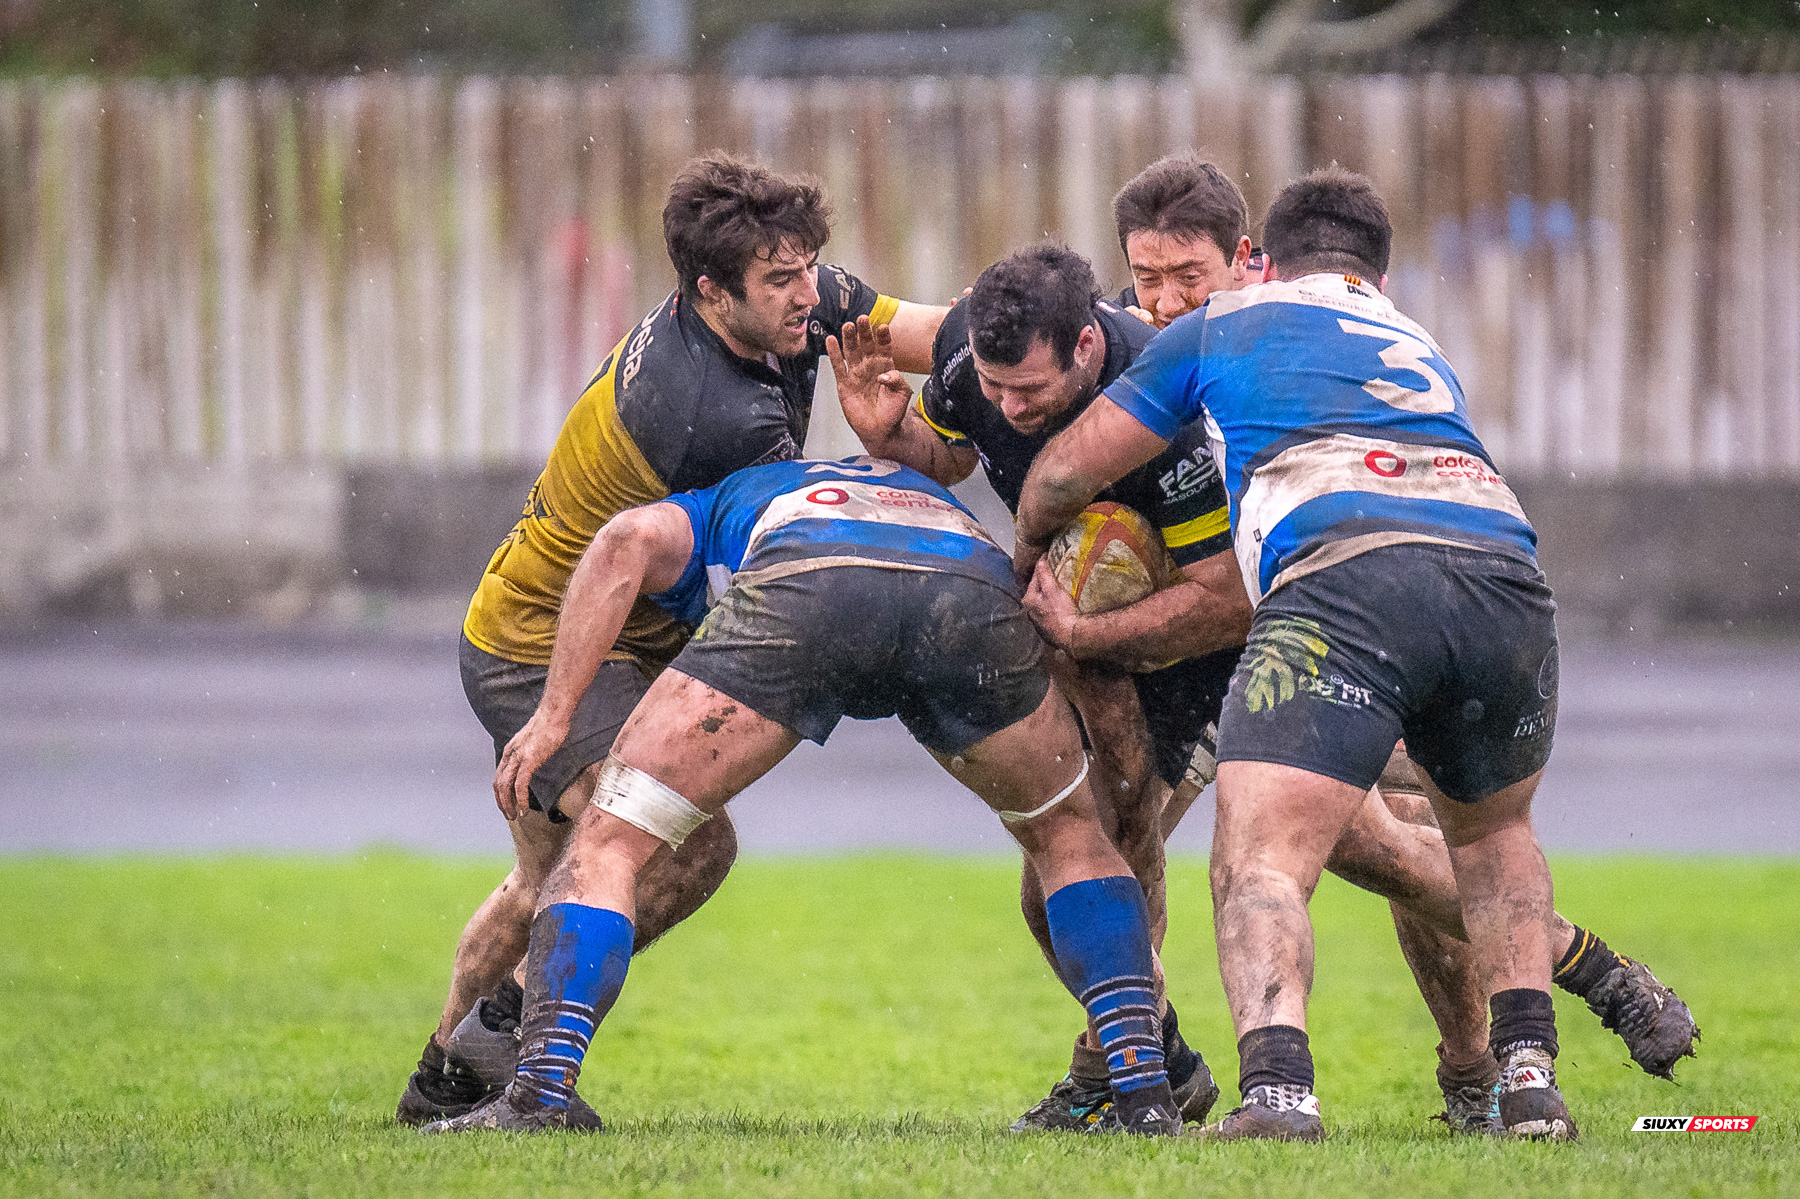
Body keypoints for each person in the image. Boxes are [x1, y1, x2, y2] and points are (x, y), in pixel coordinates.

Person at [1100, 151, 1698, 1113]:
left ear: (1250, 261)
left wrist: (1097, 627)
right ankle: (1131, 1070)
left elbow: (1237, 581)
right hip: (1237, 642)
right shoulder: (1135, 334)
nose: (1165, 299)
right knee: (1108, 847)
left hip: (1316, 617)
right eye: (1147, 277)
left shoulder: (1271, 332)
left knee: (1401, 834)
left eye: (1188, 277)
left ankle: (1474, 1071)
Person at [1013, 167, 1595, 1141]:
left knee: (1261, 853)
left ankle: (1280, 1094)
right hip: (1503, 570)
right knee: (1491, 836)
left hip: (1344, 574)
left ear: (1262, 262)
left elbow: (1073, 464)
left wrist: (1033, 548)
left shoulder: (1226, 324)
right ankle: (1526, 1081)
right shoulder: (1410, 335)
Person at [395, 152, 949, 1126]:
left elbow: (936, 333)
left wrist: (1101, 342)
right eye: (781, 281)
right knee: (683, 845)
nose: (809, 295)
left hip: (583, 621)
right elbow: (808, 531)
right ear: (708, 290)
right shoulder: (709, 412)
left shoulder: (792, 291)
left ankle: (444, 1074)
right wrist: (902, 445)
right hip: (546, 643)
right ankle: (517, 1025)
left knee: (543, 879)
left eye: (810, 268)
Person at [420, 457, 1185, 1136]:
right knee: (1070, 836)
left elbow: (623, 544)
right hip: (964, 580)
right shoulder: (894, 485)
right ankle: (1144, 1092)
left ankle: (541, 1089)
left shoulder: (715, 506)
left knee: (611, 839)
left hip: (812, 582)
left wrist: (556, 713)